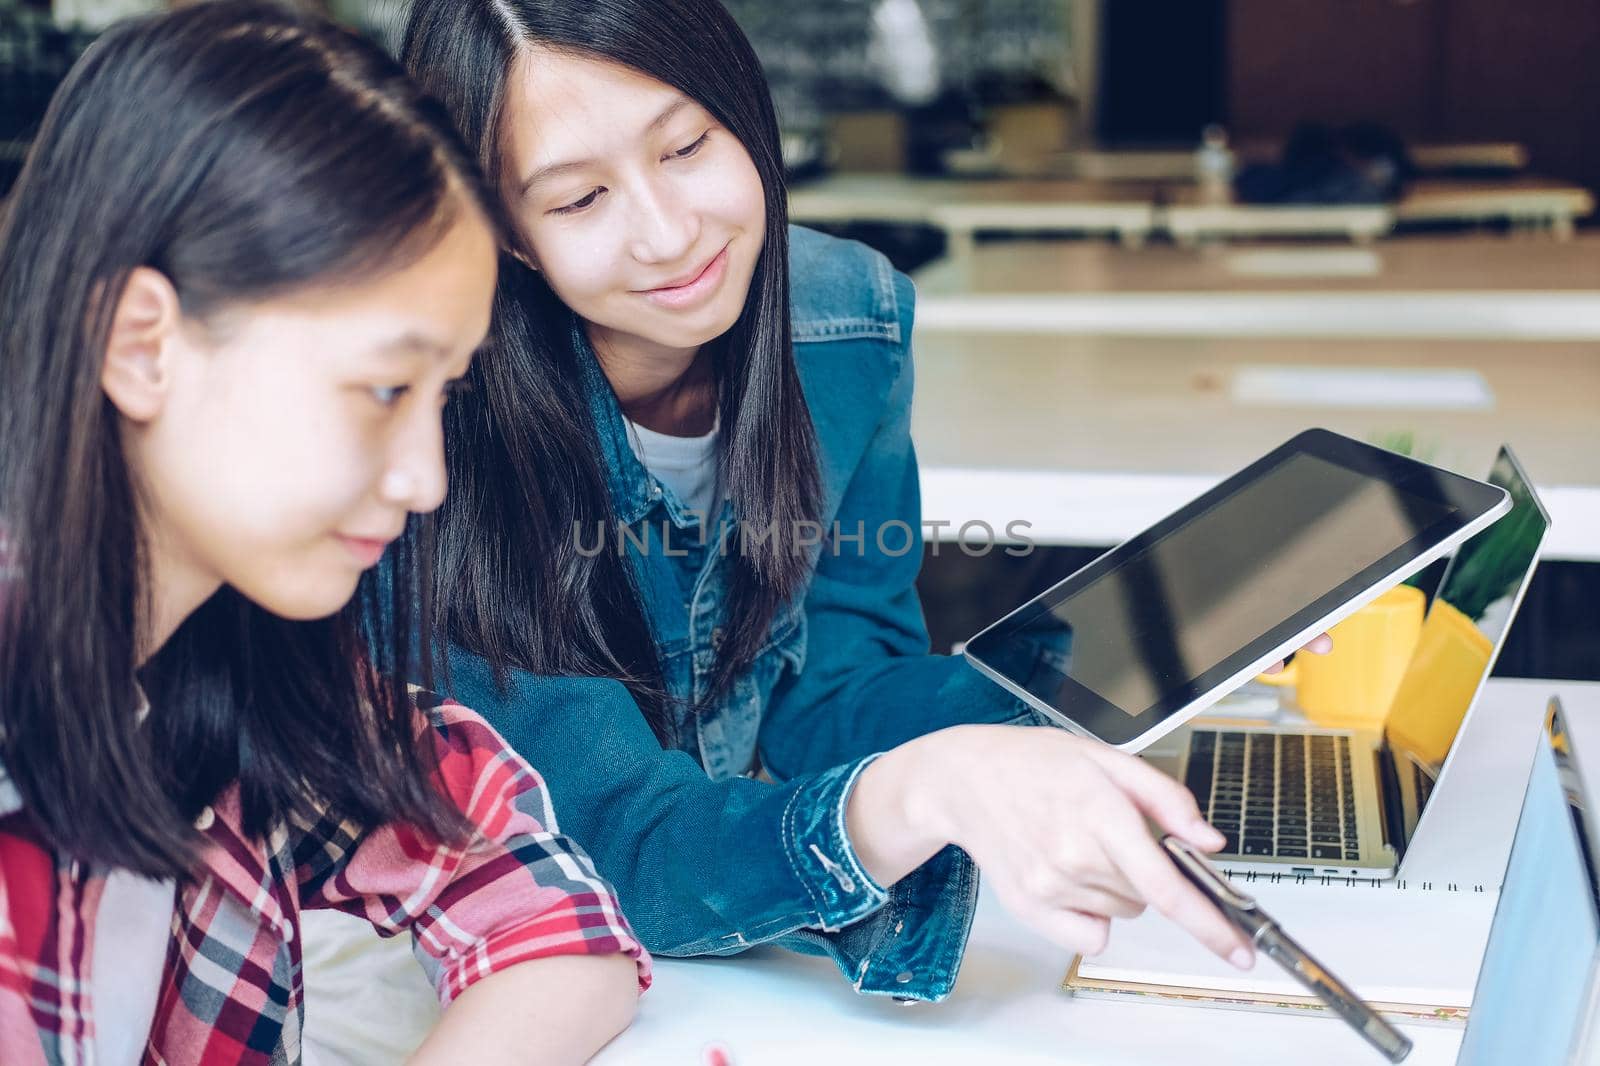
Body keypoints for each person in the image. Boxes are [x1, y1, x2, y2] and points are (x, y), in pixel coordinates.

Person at [391, 0, 1331, 1005]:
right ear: (510, 238)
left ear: (746, 111)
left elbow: (831, 693)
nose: (668, 234)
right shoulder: (436, 426)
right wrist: (923, 790)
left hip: (735, 979)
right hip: (520, 987)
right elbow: (612, 841)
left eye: (689, 145)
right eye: (579, 200)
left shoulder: (849, 319)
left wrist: (1119, 665)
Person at [0, 5, 648, 1064]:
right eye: (385, 386)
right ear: (140, 345)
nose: (427, 479)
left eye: (445, 394)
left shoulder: (228, 664)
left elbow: (538, 901)